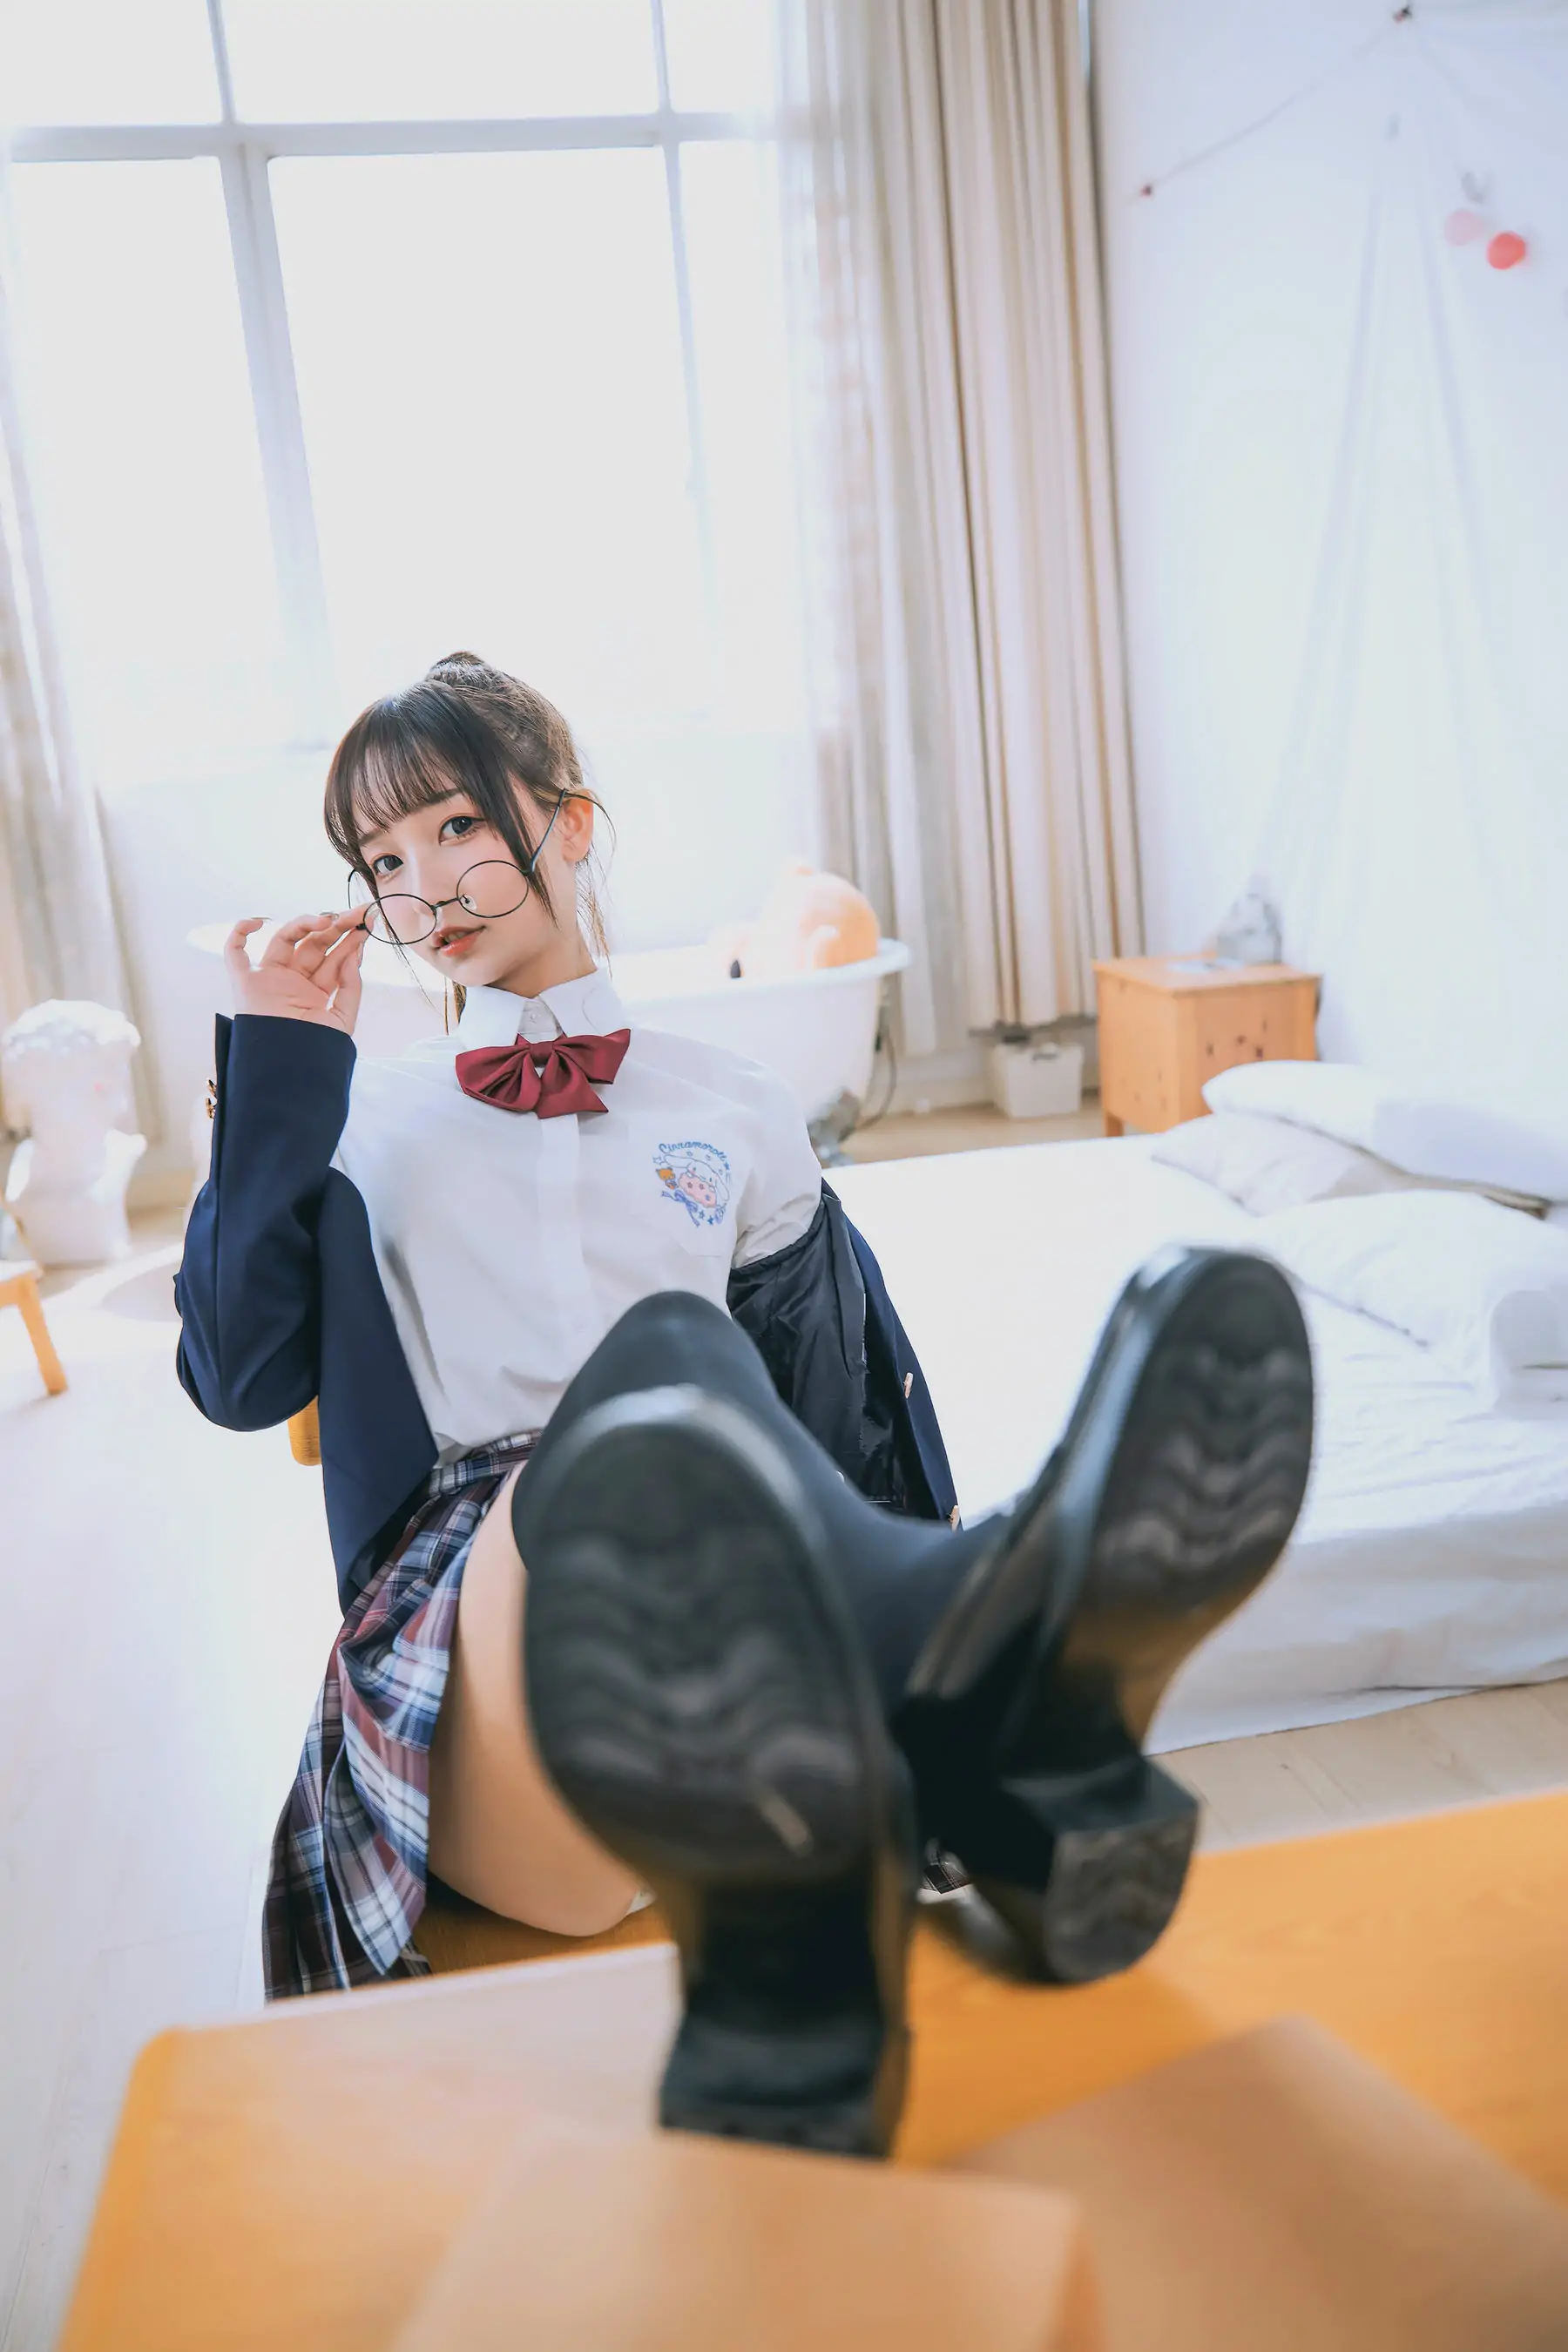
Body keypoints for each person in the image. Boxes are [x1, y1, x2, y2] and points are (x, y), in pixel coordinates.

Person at [175, 652, 1315, 2157]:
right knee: (667, 1363)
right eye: (382, 860)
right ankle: (980, 1659)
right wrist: (275, 1061)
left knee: (703, 1406)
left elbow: (837, 1420)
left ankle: (943, 1711)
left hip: (729, 1664)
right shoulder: (360, 1116)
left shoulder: (735, 1108)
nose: (424, 886)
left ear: (572, 824)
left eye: (455, 826)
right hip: (491, 1682)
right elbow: (238, 1376)